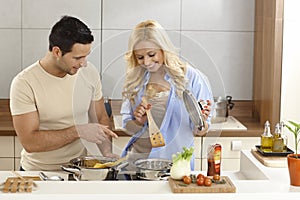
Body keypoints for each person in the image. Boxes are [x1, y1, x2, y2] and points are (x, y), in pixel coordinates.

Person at [10, 15, 119, 171]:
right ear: (57, 52)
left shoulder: (88, 72)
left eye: (86, 56)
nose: (84, 63)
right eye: (78, 57)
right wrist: (78, 131)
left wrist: (106, 152)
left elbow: (100, 116)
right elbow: (30, 142)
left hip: (78, 170)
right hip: (39, 172)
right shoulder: (24, 83)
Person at [120, 20, 213, 170]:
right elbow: (127, 125)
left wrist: (200, 122)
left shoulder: (190, 77)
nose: (147, 62)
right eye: (140, 57)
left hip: (176, 164)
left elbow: (200, 131)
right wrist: (139, 122)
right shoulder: (135, 79)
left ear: (164, 49)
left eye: (151, 54)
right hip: (138, 161)